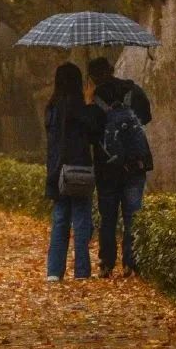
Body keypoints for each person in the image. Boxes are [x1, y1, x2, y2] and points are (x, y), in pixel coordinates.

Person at [87, 56, 153, 279]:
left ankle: (107, 263)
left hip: (107, 169)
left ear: (92, 77)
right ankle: (130, 263)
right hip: (135, 164)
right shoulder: (132, 90)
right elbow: (146, 117)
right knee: (132, 215)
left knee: (108, 217)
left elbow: (90, 133)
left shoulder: (95, 98)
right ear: (112, 69)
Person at [45, 61, 105, 282]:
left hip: (57, 171)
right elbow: (94, 131)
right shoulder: (78, 106)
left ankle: (54, 271)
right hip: (78, 169)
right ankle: (81, 271)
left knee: (60, 220)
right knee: (81, 221)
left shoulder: (51, 107)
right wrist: (90, 102)